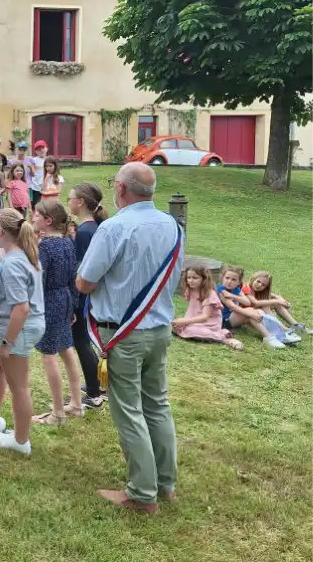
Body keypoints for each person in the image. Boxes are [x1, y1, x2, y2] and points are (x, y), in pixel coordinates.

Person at [76, 162, 184, 513]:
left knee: (129, 412)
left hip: (124, 331)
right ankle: (165, 484)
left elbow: (85, 282)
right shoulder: (173, 225)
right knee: (157, 404)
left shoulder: (114, 227)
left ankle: (142, 493)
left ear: (121, 188)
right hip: (159, 328)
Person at [0, 208, 44, 455]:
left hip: (20, 328)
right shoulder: (23, 256)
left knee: (19, 386)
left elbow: (21, 309)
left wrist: (7, 342)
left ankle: (20, 440)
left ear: (0, 232)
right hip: (22, 326)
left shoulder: (12, 263)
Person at [31, 200, 83, 426]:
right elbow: (73, 277)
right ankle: (77, 404)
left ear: (48, 220)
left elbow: (39, 281)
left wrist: (33, 308)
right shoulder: (67, 242)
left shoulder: (45, 247)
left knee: (49, 353)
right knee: (66, 349)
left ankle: (59, 412)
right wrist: (73, 305)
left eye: (36, 214)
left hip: (49, 301)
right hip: (64, 299)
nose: (32, 217)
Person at [67, 183, 107, 408]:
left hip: (83, 298)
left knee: (81, 341)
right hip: (91, 296)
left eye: (70, 197)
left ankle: (93, 393)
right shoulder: (94, 228)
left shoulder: (84, 232)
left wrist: (73, 303)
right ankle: (95, 383)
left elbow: (80, 270)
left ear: (80, 202)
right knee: (84, 341)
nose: (69, 201)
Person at [217, 266, 297, 347]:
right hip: (223, 320)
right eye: (227, 278)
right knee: (252, 312)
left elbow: (247, 302)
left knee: (255, 313)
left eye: (233, 279)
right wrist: (251, 313)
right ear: (222, 278)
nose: (229, 281)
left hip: (233, 318)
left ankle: (276, 336)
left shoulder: (236, 289)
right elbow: (233, 307)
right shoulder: (221, 290)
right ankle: (273, 336)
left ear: (239, 282)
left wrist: (232, 296)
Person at [171, 266, 243, 350]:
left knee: (191, 330)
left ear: (204, 279)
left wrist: (184, 321)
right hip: (193, 320)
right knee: (172, 325)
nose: (191, 280)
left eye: (195, 278)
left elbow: (205, 317)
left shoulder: (209, 294)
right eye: (189, 277)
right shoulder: (190, 290)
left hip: (209, 324)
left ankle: (223, 338)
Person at [243, 270, 309, 335]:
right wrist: (277, 300)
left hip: (254, 311)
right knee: (267, 305)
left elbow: (270, 294)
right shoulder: (246, 288)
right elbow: (256, 303)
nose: (259, 285)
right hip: (245, 315)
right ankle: (283, 328)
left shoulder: (256, 290)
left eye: (263, 285)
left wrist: (279, 298)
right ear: (253, 278)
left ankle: (295, 325)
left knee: (276, 304)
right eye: (258, 281)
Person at [27, 140, 47, 207]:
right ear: (35, 151)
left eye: (43, 148)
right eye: (38, 149)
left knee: (45, 206)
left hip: (46, 187)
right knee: (34, 205)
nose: (41, 150)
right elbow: (31, 174)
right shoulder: (33, 160)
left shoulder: (48, 160)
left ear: (46, 148)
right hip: (34, 187)